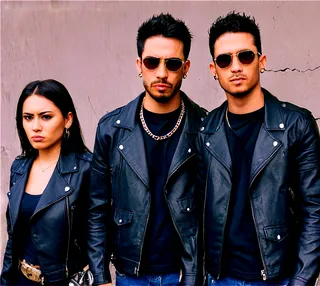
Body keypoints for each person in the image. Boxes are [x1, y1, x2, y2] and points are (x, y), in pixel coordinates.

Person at [196, 11, 320, 285]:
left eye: (245, 56)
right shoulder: (206, 130)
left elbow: (314, 210)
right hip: (220, 279)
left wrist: (301, 280)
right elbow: (198, 212)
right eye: (224, 60)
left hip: (277, 277)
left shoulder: (296, 125)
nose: (235, 67)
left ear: (261, 61)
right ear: (214, 70)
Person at [87, 13, 206, 286]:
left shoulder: (206, 128)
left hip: (187, 275)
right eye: (152, 62)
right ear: (140, 65)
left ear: (186, 67)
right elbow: (97, 208)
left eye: (172, 63)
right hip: (130, 275)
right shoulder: (111, 129)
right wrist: (101, 275)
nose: (162, 73)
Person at [1, 79, 92, 285]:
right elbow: (13, 237)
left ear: (67, 119)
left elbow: (98, 238)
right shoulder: (19, 167)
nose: (35, 127)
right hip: (21, 279)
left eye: (46, 117)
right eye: (28, 117)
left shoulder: (87, 169)